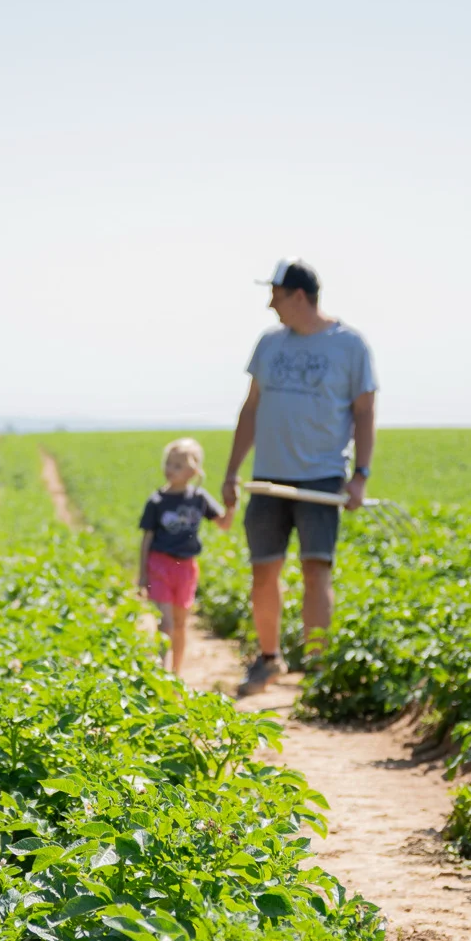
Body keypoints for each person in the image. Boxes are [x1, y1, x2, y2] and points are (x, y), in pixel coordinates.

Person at [220, 259, 376, 697]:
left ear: (299, 296)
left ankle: (318, 671)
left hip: (322, 478)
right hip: (268, 478)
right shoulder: (269, 344)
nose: (271, 305)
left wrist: (360, 476)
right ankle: (269, 660)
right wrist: (232, 471)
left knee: (315, 572)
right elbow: (250, 409)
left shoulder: (350, 346)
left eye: (276, 295)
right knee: (263, 572)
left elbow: (364, 413)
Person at [137, 437, 234, 676]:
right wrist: (142, 575)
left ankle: (176, 674)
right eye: (168, 463)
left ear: (193, 471)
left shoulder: (199, 498)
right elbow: (146, 540)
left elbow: (223, 523)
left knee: (180, 625)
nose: (170, 470)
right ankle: (162, 671)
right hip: (159, 565)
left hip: (186, 568)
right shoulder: (157, 501)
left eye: (177, 466)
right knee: (166, 624)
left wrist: (232, 504)